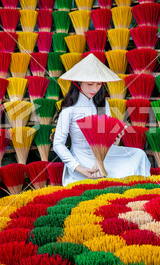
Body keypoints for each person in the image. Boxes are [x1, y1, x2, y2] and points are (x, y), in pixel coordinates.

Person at [52, 54, 152, 186]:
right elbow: (58, 144)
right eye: (90, 84)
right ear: (77, 83)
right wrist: (79, 168)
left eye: (99, 84)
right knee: (117, 176)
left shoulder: (102, 104)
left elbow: (107, 140)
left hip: (104, 156)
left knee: (138, 155)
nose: (94, 89)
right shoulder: (69, 110)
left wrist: (115, 138)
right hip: (82, 159)